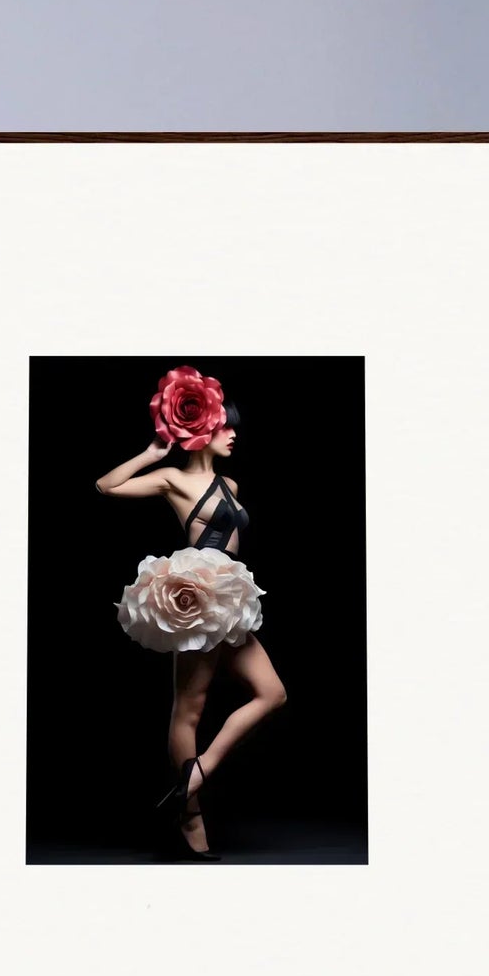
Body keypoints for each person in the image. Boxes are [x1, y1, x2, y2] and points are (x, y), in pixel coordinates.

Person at [95, 366, 288, 859]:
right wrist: (152, 453)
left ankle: (196, 774)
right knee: (190, 709)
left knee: (272, 694)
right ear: (203, 431)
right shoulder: (174, 479)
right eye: (226, 426)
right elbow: (106, 486)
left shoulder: (232, 485)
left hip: (228, 598)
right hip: (197, 598)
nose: (233, 434)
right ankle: (191, 815)